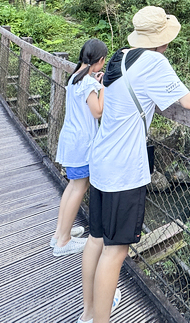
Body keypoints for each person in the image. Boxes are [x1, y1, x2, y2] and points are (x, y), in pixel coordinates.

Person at [79, 6, 190, 323]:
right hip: (124, 170)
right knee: (116, 251)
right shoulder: (155, 61)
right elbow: (188, 102)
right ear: (161, 38)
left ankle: (89, 313)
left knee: (96, 239)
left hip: (101, 159)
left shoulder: (118, 56)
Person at [51, 39, 108, 256]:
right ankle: (64, 241)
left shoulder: (75, 77)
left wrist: (96, 83)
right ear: (100, 59)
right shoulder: (88, 83)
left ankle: (60, 233)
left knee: (73, 186)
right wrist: (103, 87)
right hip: (82, 143)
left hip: (71, 139)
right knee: (79, 187)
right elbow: (98, 111)